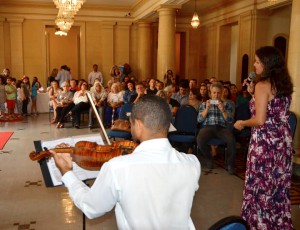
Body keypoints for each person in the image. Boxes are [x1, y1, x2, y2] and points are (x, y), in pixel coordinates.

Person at [51, 95, 201, 229]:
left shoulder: (117, 168)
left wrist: (67, 173)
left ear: (139, 124)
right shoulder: (192, 163)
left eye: (131, 123)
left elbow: (91, 207)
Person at [234, 46, 294, 229]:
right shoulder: (284, 84)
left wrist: (243, 123)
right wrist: (253, 93)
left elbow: (260, 120)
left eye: (258, 61)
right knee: (277, 186)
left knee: (260, 187)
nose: (254, 64)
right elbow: (273, 109)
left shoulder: (263, 85)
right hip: (282, 142)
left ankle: (259, 224)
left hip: (264, 144)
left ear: (267, 64)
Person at [197, 82, 236, 174]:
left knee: (231, 140)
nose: (216, 95)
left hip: (221, 128)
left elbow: (230, 120)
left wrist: (223, 110)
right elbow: (199, 120)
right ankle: (209, 158)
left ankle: (230, 165)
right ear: (210, 93)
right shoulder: (204, 104)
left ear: (222, 93)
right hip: (208, 127)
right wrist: (206, 109)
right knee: (199, 140)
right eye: (214, 93)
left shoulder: (226, 104)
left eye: (218, 93)